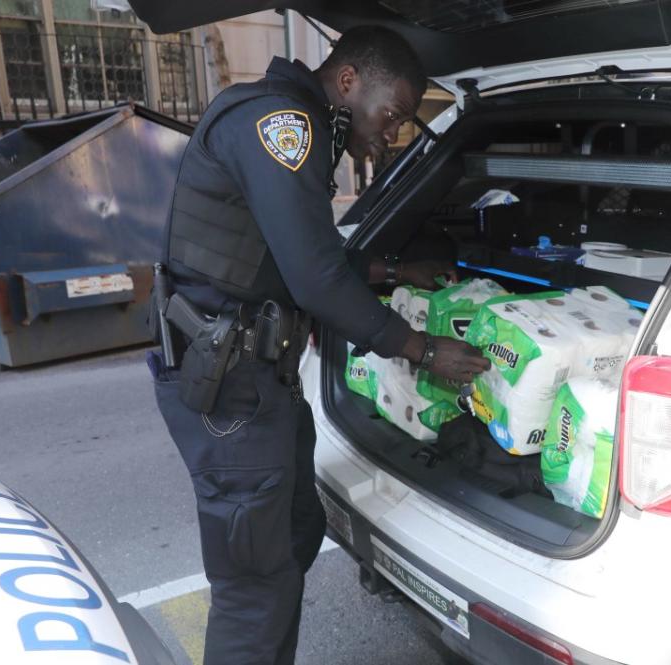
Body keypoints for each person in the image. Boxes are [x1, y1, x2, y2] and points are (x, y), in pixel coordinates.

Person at [149, 25, 490, 665]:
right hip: (230, 390)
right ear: (348, 80)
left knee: (298, 532)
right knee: (255, 589)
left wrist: (392, 273)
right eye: (391, 115)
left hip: (256, 382)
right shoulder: (285, 126)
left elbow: (293, 251)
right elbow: (313, 277)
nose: (392, 134)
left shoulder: (292, 120)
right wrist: (419, 348)